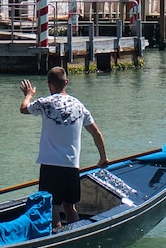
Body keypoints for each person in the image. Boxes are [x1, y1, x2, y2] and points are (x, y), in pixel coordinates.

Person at [20, 66, 107, 229]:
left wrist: (29, 95)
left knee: (52, 208)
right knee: (70, 207)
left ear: (49, 84)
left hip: (51, 166)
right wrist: (103, 157)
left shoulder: (45, 103)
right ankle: (75, 236)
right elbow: (97, 134)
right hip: (72, 167)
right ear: (66, 82)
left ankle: (57, 239)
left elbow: (24, 108)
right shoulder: (79, 106)